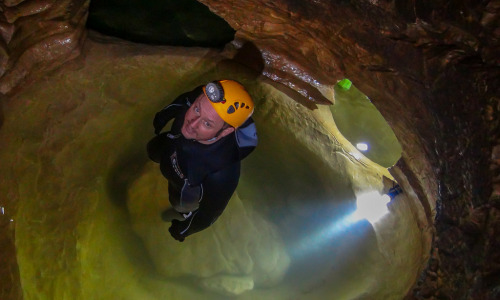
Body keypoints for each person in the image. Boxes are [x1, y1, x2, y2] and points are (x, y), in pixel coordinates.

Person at [147, 80, 257, 242]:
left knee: (179, 202)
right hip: (173, 144)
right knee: (153, 150)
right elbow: (185, 100)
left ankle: (178, 211)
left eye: (207, 123)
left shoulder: (221, 174)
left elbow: (209, 214)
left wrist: (182, 230)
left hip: (187, 182)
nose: (192, 123)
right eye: (196, 109)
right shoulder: (207, 101)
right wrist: (163, 116)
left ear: (226, 131)